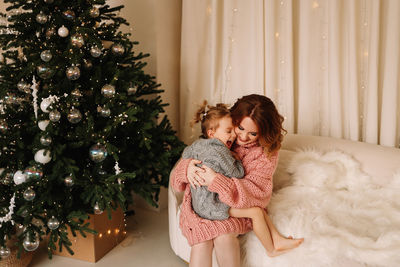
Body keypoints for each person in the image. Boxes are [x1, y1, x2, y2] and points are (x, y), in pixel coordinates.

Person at [171, 94, 304, 267]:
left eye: (253, 133)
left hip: (236, 204)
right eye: (239, 127)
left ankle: (274, 243)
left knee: (225, 236)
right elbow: (176, 181)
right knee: (201, 241)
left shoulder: (265, 153)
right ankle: (274, 243)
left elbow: (257, 194)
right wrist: (187, 169)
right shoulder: (222, 134)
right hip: (201, 205)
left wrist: (217, 181)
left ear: (264, 132)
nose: (241, 137)